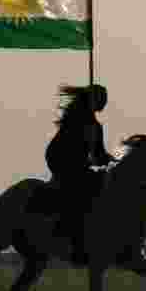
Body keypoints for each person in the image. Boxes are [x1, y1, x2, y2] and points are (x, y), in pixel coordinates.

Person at [44, 84, 114, 260]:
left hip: (79, 165)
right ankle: (68, 232)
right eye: (102, 100)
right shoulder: (77, 119)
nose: (104, 104)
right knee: (84, 188)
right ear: (94, 100)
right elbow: (69, 146)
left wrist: (114, 159)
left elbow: (99, 157)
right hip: (61, 161)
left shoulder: (96, 125)